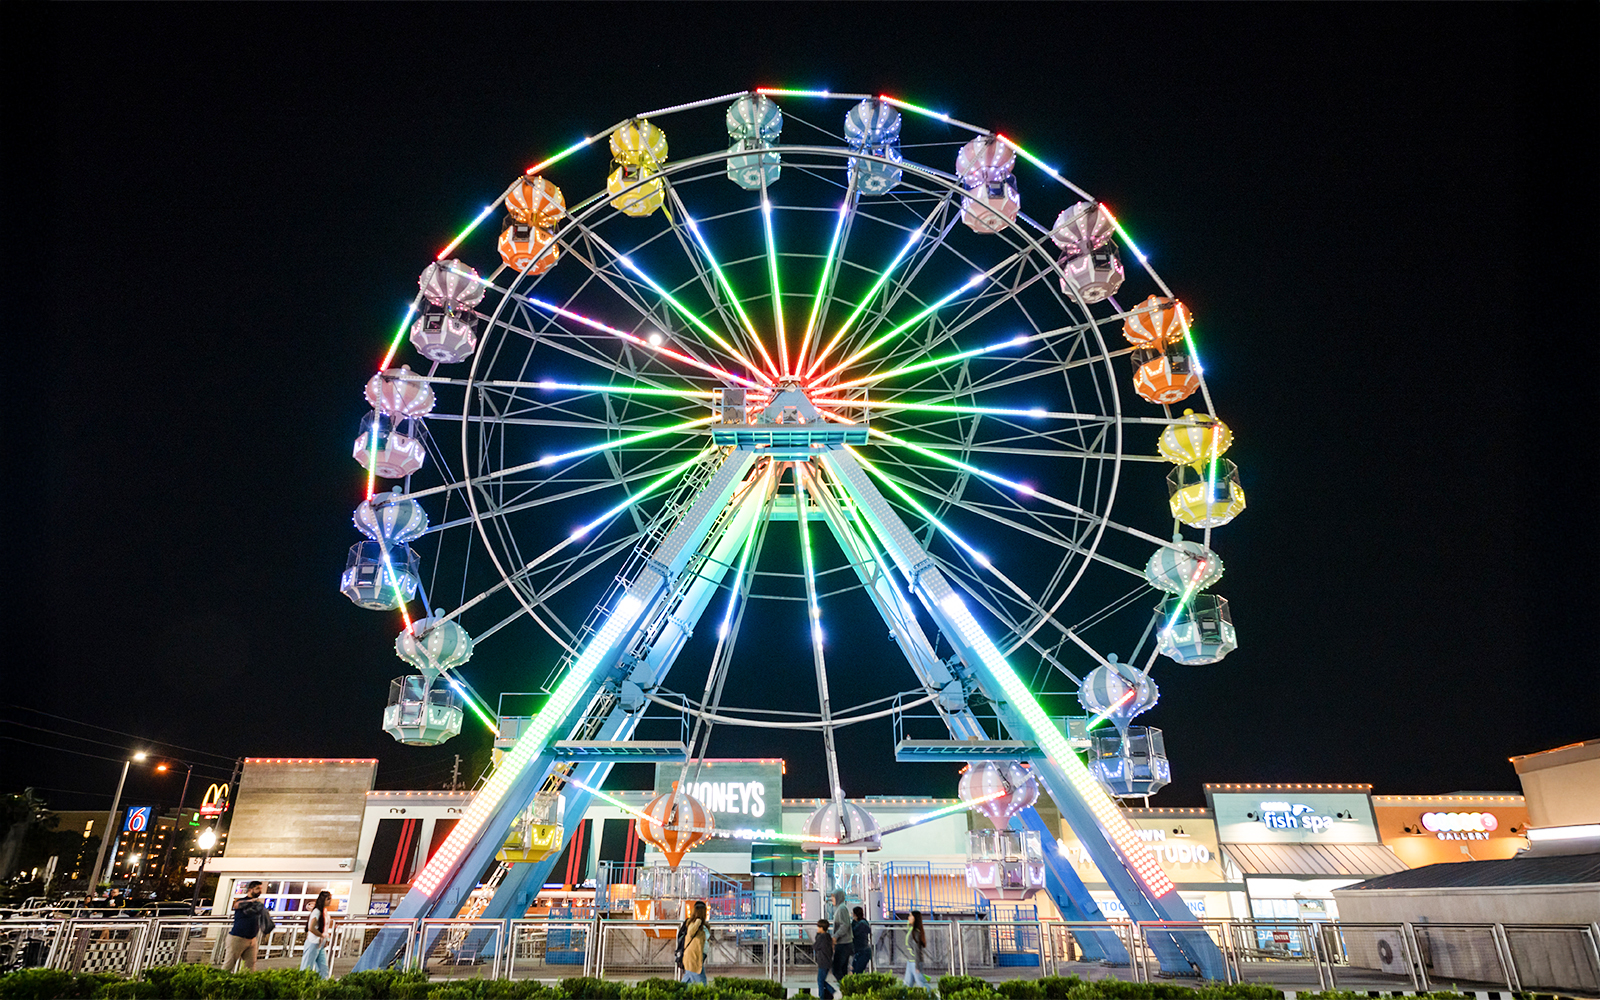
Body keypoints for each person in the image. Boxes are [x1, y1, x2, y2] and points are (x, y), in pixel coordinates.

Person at [223, 881, 266, 972]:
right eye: (257, 889)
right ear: (250, 889)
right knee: (229, 965)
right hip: (238, 938)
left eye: (260, 889)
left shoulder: (257, 904)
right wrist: (251, 901)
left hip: (252, 939)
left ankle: (246, 983)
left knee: (250, 966)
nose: (259, 891)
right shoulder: (242, 901)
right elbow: (237, 905)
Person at [299, 890, 333, 978]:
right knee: (307, 967)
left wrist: (325, 938)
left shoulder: (324, 912)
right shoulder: (317, 911)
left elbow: (323, 928)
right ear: (323, 900)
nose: (330, 901)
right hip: (313, 942)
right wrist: (322, 936)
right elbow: (311, 928)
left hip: (319, 943)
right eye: (328, 899)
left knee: (323, 968)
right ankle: (303, 984)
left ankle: (322, 986)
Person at [680, 900, 710, 985]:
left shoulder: (703, 926)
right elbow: (691, 932)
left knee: (687, 982)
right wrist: (698, 921)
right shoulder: (693, 924)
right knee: (702, 982)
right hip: (693, 957)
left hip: (698, 957)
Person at [829, 888, 853, 986]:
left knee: (836, 969)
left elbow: (845, 925)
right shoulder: (841, 908)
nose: (832, 899)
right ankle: (846, 988)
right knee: (842, 969)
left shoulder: (842, 909)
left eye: (833, 897)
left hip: (843, 944)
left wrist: (835, 936)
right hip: (844, 943)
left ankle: (845, 987)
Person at [903, 910, 931, 989]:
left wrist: (917, 966)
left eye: (910, 916)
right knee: (907, 984)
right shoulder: (911, 930)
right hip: (910, 962)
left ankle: (934, 997)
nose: (908, 918)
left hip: (914, 962)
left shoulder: (916, 932)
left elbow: (917, 950)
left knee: (921, 984)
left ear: (915, 918)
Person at [813, 918, 835, 999]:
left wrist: (817, 935)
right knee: (821, 980)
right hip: (827, 961)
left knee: (820, 981)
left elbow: (815, 946)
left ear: (822, 928)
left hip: (823, 962)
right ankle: (831, 992)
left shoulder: (821, 938)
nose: (817, 929)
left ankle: (824, 995)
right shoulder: (828, 936)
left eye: (818, 927)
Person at [850, 905, 872, 974]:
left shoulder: (861, 925)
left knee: (857, 972)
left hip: (862, 952)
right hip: (861, 951)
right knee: (856, 971)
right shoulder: (863, 923)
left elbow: (853, 933)